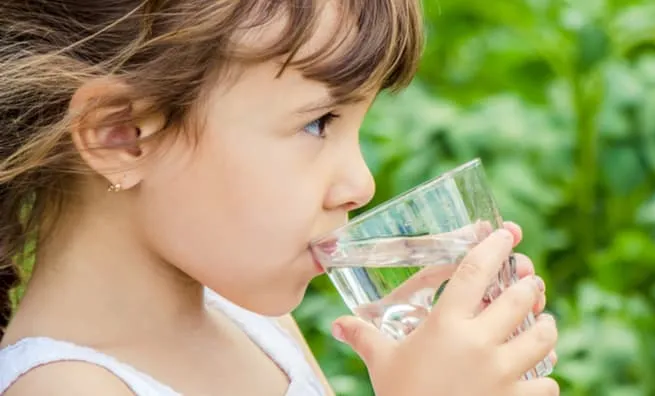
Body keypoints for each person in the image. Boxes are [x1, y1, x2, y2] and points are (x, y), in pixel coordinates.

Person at [0, 1, 559, 395]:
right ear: (121, 134)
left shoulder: (254, 326)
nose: (361, 184)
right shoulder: (62, 387)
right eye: (319, 124)